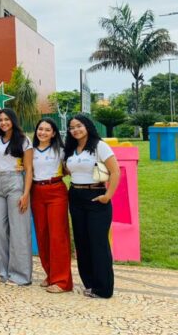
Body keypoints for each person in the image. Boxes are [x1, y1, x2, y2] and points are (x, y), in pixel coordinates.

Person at [64, 114, 120, 299]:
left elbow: (115, 171)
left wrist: (107, 196)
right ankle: (89, 283)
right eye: (72, 127)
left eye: (79, 126)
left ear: (87, 126)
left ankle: (103, 288)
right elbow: (66, 170)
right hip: (76, 195)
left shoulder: (99, 145)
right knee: (82, 241)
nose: (75, 130)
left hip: (96, 195)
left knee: (98, 242)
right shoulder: (72, 148)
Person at [0, 108, 34, 286]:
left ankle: (21, 275)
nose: (3, 123)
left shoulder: (23, 140)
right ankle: (4, 271)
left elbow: (29, 168)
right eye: (0, 120)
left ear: (13, 121)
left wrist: (25, 194)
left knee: (18, 229)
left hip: (15, 182)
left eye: (6, 119)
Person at [31, 118, 73, 293]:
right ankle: (50, 274)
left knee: (57, 235)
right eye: (40, 129)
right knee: (42, 234)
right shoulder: (30, 151)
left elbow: (68, 169)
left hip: (56, 191)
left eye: (47, 130)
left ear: (54, 133)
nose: (43, 132)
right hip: (37, 192)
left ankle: (62, 280)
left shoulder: (61, 150)